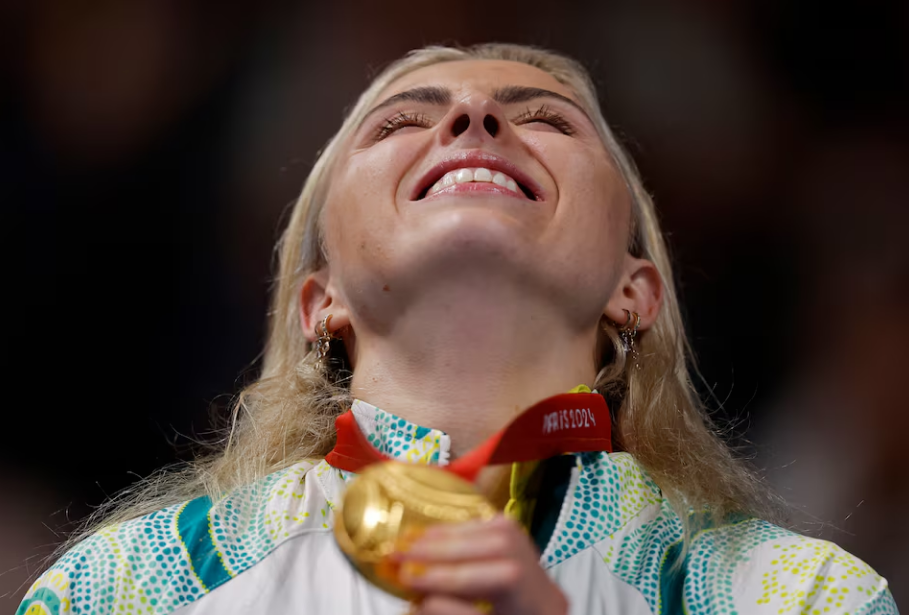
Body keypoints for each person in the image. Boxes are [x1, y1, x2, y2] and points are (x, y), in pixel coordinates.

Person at [18, 43, 898, 615]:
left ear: (635, 291)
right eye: (401, 122)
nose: (472, 121)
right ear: (318, 301)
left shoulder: (796, 595)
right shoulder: (122, 589)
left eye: (547, 120)